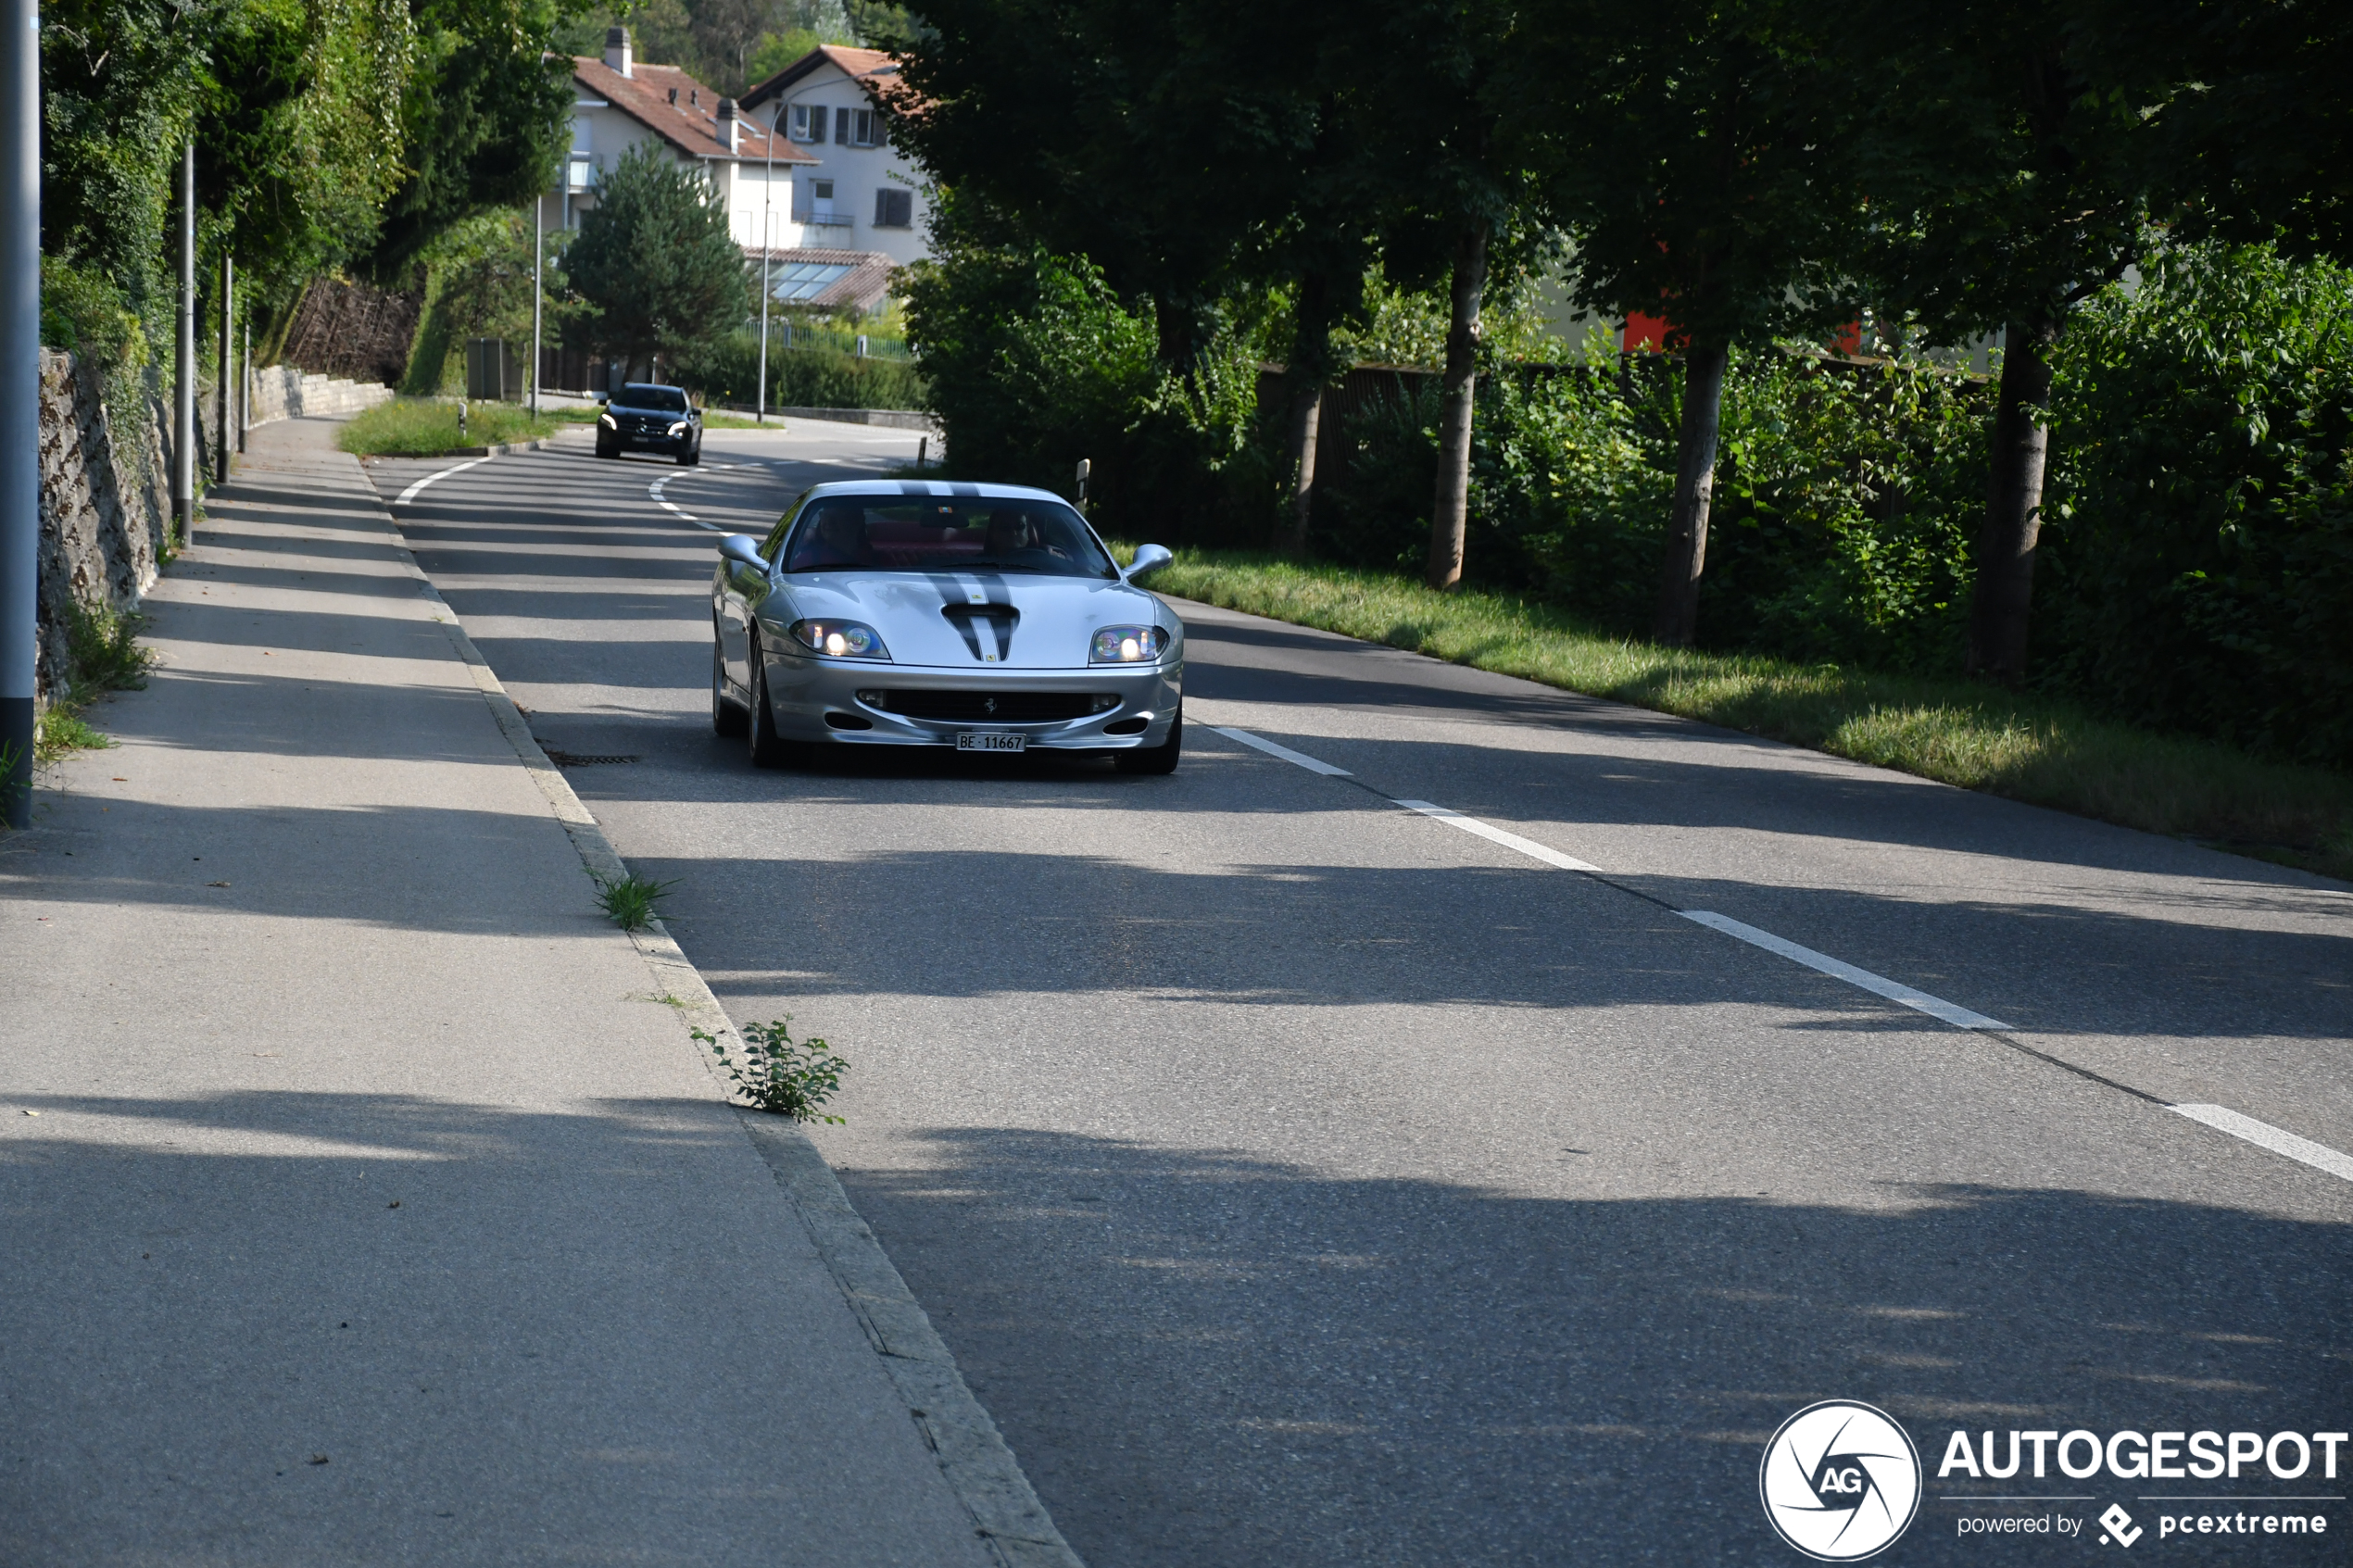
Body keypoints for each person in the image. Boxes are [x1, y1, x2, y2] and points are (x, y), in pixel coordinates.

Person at [787, 504, 866, 570]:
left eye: (838, 515)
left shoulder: (875, 559)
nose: (829, 521)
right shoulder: (807, 561)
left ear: (857, 520)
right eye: (825, 515)